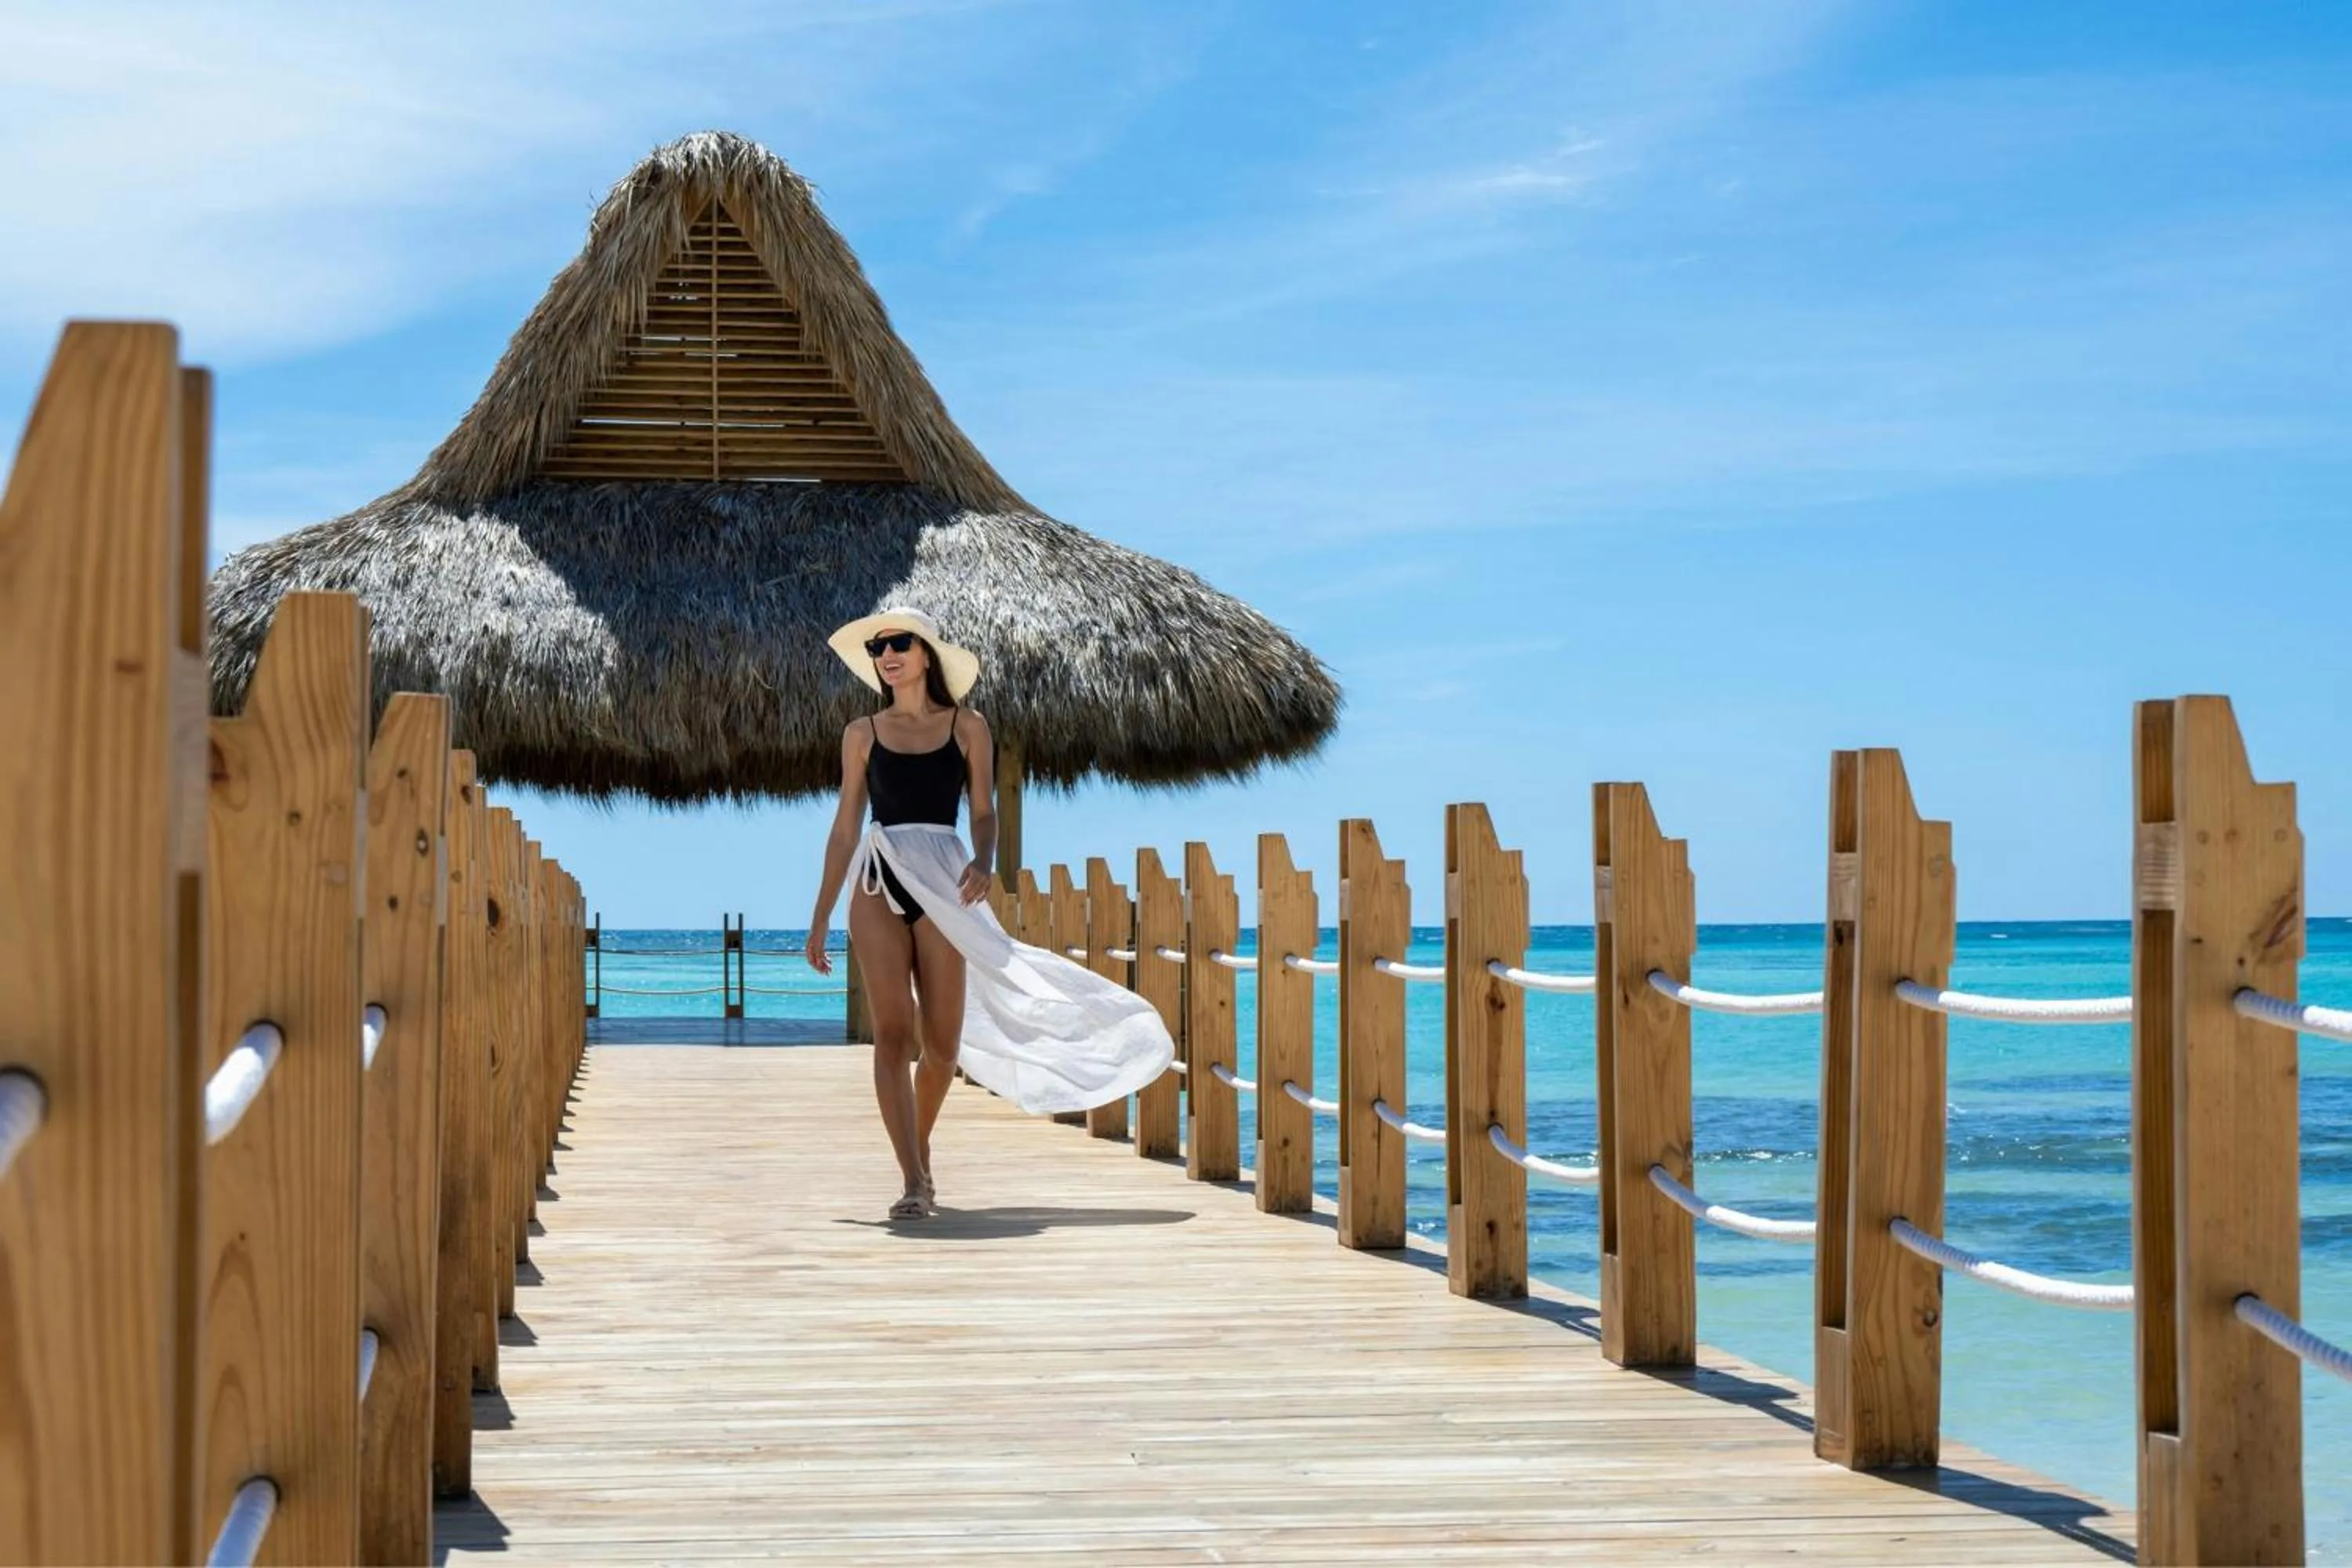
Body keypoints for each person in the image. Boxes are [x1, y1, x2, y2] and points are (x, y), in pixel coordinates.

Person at [805, 608, 1174, 1222]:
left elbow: (983, 809)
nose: (887, 654)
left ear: (927, 655)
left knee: (943, 1047)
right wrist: (820, 916)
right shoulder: (861, 732)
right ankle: (914, 1177)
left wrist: (985, 858)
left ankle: (918, 1148)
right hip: (880, 873)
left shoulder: (968, 726)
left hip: (947, 874)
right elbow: (846, 826)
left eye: (899, 643)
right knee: (893, 1030)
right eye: (878, 647)